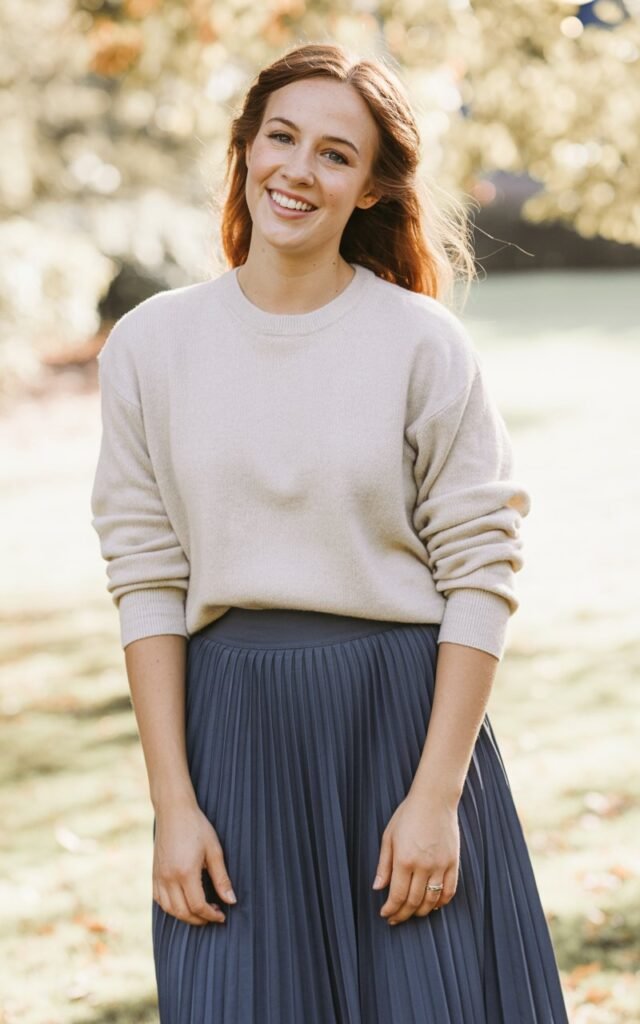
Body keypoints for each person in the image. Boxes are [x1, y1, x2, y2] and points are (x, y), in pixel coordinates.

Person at [90, 40, 569, 1024]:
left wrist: (436, 797)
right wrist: (173, 805)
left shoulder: (421, 344)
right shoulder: (152, 346)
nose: (297, 171)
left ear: (369, 190)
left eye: (335, 154)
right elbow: (145, 577)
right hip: (230, 744)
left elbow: (481, 569)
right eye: (281, 137)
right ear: (245, 149)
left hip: (404, 735)